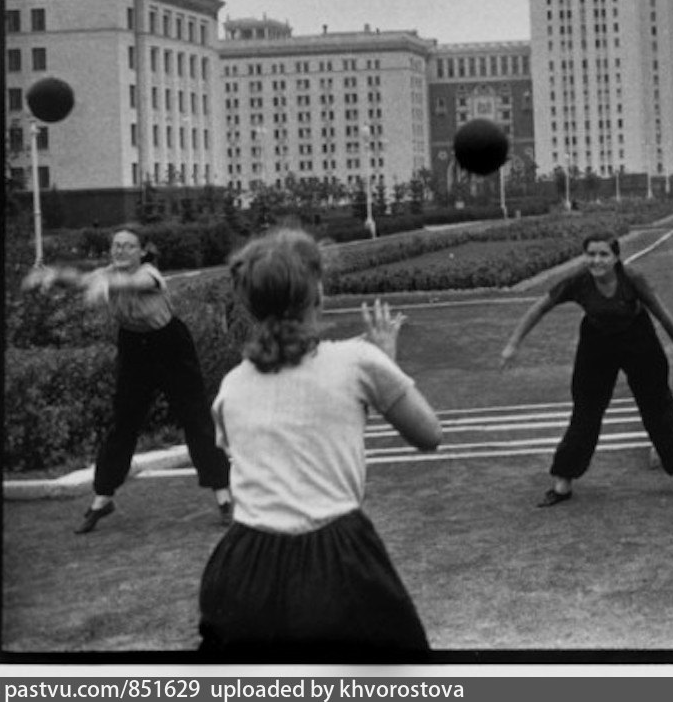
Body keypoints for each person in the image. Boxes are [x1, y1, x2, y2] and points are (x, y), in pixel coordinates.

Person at [197, 228, 442, 659]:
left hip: (243, 566)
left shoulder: (231, 386)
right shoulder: (356, 361)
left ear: (250, 305)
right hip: (336, 558)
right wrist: (386, 361)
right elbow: (429, 435)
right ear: (319, 294)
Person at [23, 225, 232, 534]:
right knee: (124, 423)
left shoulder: (149, 274)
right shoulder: (107, 272)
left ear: (143, 251)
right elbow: (82, 280)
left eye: (127, 246)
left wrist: (106, 284)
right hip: (134, 348)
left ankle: (224, 497)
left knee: (196, 419)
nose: (119, 251)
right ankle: (102, 499)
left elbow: (133, 282)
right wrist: (52, 276)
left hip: (171, 347)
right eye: (116, 246)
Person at [500, 232, 673, 507]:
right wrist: (513, 345)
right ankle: (562, 483)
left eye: (603, 255)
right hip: (597, 342)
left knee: (658, 407)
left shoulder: (632, 279)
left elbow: (659, 310)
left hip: (638, 338)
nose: (596, 260)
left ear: (616, 257)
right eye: (591, 254)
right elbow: (539, 308)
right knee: (586, 411)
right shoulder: (577, 281)